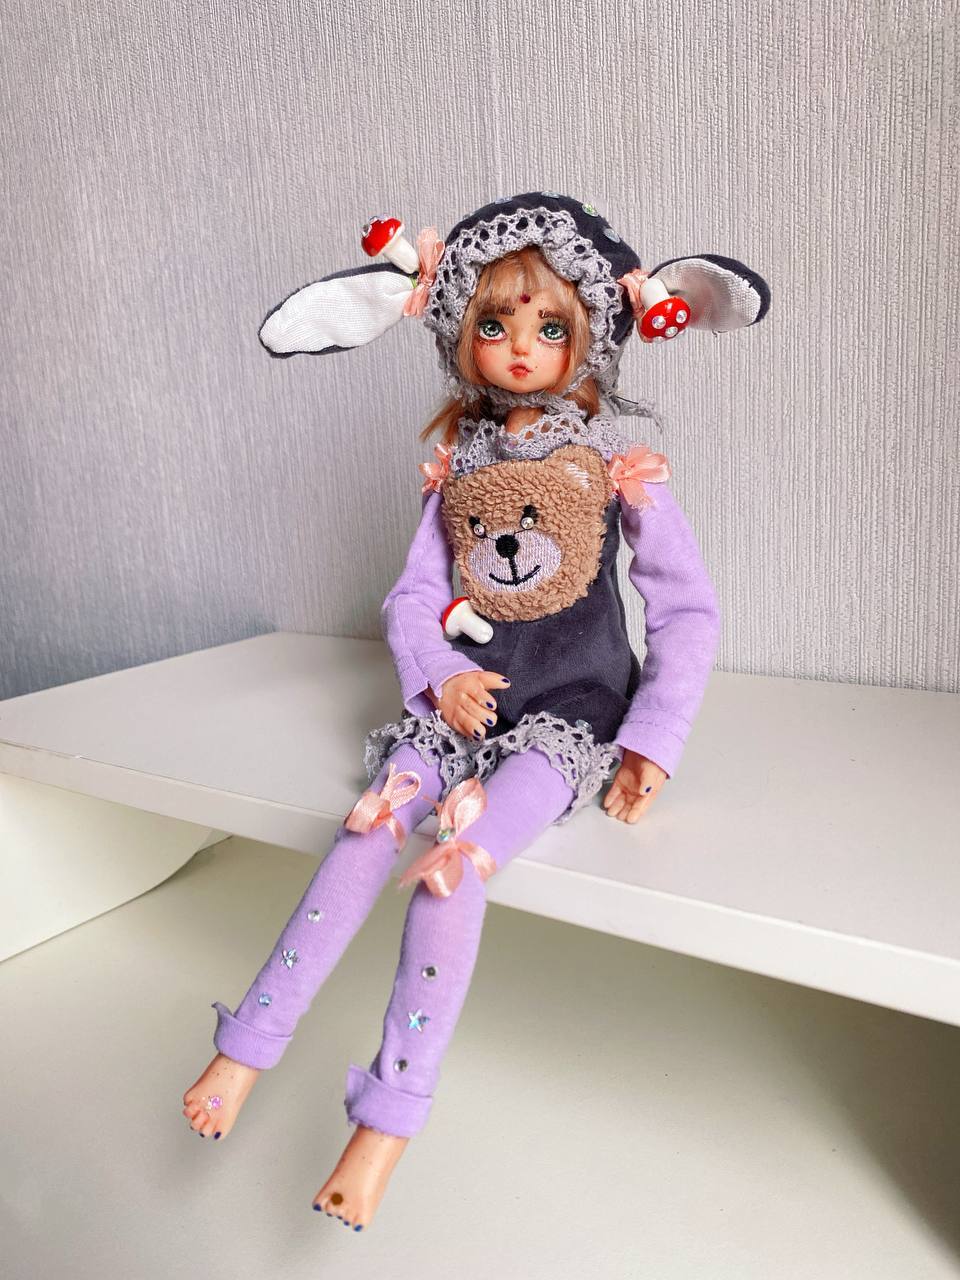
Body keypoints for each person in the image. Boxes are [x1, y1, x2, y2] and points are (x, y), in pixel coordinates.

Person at [181, 192, 770, 1232]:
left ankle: (386, 1123)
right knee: (368, 828)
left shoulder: (613, 469)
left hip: (568, 714)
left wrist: (652, 738)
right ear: (460, 332)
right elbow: (412, 598)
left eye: (550, 326)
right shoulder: (456, 470)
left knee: (455, 867)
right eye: (494, 323)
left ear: (592, 336)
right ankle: (245, 1048)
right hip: (458, 706)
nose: (520, 347)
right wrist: (437, 674)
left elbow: (685, 607)